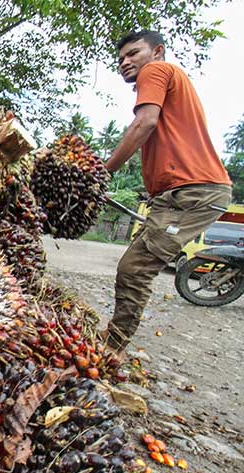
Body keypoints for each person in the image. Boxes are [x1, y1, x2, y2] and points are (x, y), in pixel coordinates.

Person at [101, 30, 232, 353]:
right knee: (136, 263)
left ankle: (110, 349)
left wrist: (102, 172)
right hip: (183, 193)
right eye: (120, 59)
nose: (126, 62)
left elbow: (144, 124)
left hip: (193, 192)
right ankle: (112, 342)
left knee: (135, 267)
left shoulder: (156, 70)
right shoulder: (168, 78)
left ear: (157, 51)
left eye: (133, 53)